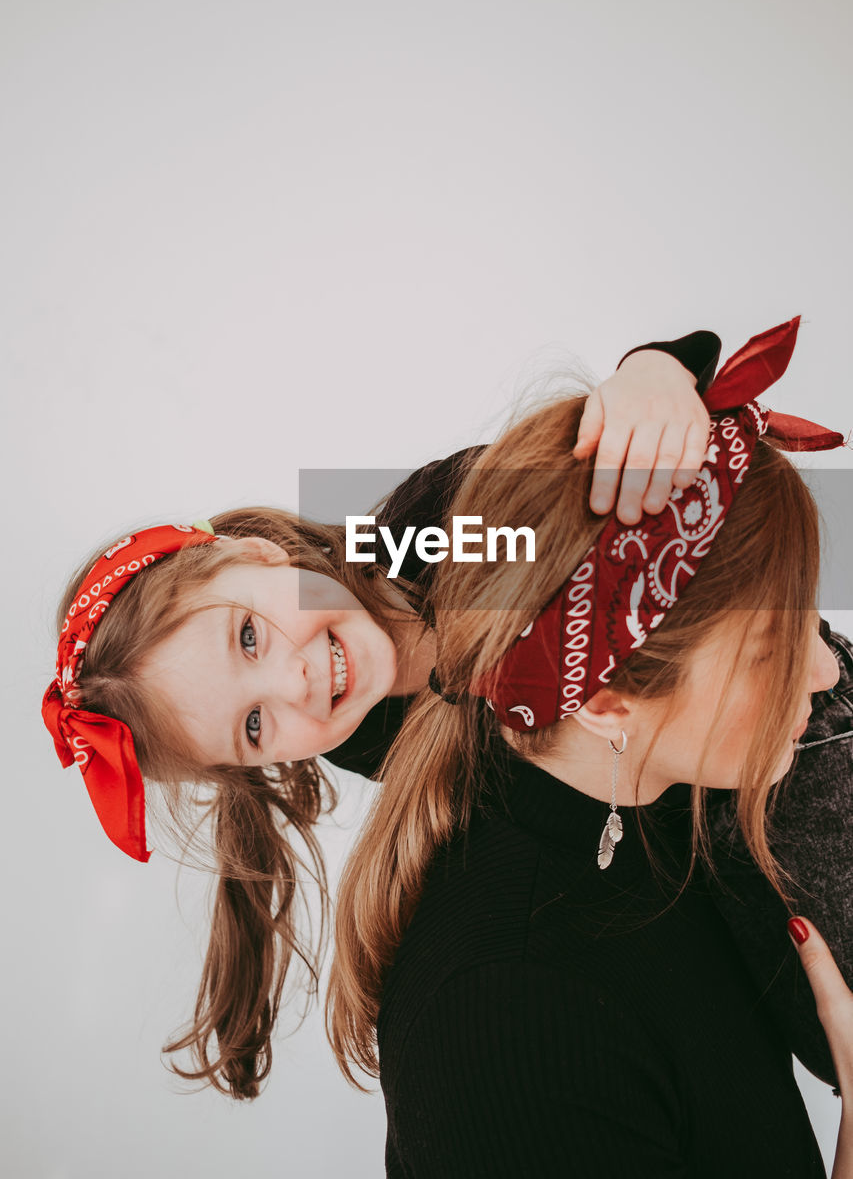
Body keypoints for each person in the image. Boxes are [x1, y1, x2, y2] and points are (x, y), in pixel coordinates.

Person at [42, 322, 852, 1112]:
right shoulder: (376, 749)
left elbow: (596, 493)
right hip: (710, 846)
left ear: (257, 557)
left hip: (786, 716)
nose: (294, 683)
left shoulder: (428, 532)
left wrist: (650, 375)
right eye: (254, 727)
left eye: (249, 635)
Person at [326, 319, 851, 1176]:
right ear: (606, 702)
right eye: (767, 650)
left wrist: (654, 372)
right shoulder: (504, 1019)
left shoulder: (658, 811)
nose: (821, 674)